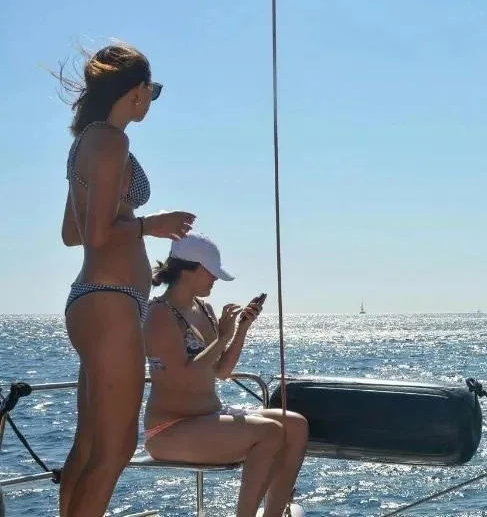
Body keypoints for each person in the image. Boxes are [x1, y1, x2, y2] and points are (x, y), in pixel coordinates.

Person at [57, 41, 197, 517]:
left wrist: (130, 219)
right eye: (152, 91)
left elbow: (70, 232)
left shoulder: (88, 140)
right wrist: (149, 224)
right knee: (115, 450)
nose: (150, 100)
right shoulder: (112, 141)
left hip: (95, 301)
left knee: (89, 447)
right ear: (136, 90)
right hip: (111, 301)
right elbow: (96, 236)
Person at [142, 233, 308, 517]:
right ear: (191, 269)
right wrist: (221, 339)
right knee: (270, 432)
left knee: (295, 425)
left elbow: (221, 371)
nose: (216, 279)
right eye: (212, 272)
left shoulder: (204, 309)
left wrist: (240, 330)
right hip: (170, 429)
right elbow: (183, 377)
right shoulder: (159, 314)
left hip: (209, 416)